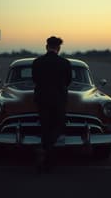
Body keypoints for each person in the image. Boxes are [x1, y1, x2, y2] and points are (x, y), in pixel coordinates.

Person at [32, 36, 72, 171]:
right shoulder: (65, 63)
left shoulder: (37, 62)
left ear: (46, 47)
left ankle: (45, 153)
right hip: (58, 99)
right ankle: (46, 153)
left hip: (42, 99)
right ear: (59, 48)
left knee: (45, 127)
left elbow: (35, 79)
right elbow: (68, 81)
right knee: (59, 125)